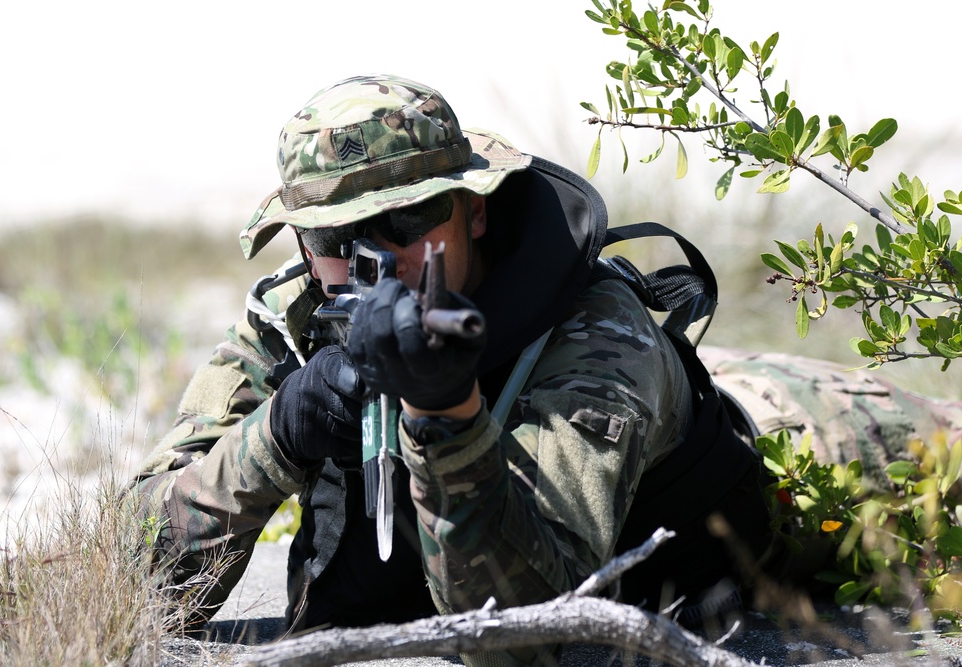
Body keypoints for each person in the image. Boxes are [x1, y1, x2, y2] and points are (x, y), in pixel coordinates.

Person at [128, 74, 962, 666]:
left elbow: (524, 628)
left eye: (407, 220)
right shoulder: (294, 318)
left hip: (813, 444)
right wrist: (279, 434)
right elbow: (134, 574)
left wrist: (444, 412)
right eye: (333, 240)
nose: (373, 260)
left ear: (475, 207)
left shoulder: (598, 336)